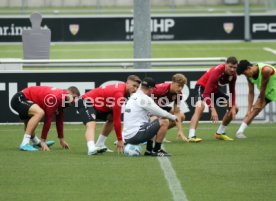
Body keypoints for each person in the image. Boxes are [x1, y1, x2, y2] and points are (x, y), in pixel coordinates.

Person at [77, 75, 141, 156]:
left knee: (112, 118)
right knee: (92, 123)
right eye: (134, 86)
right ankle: (91, 148)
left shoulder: (124, 92)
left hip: (98, 106)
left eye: (137, 87)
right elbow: (118, 120)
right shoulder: (119, 94)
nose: (135, 89)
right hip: (85, 101)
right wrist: (120, 140)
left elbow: (115, 117)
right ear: (127, 83)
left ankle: (99, 144)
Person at [11, 86, 80, 151]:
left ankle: (36, 142)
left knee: (29, 123)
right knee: (39, 113)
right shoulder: (56, 98)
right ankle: (24, 144)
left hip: (26, 99)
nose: (74, 101)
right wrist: (43, 141)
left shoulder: (63, 98)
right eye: (74, 97)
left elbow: (59, 120)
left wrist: (61, 140)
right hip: (19, 99)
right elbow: (48, 119)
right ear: (68, 93)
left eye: (76, 99)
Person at [188, 56, 239, 142]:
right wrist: (212, 109)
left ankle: (220, 133)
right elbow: (206, 93)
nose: (232, 69)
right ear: (225, 65)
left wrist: (233, 106)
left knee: (235, 108)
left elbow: (232, 91)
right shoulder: (217, 72)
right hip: (202, 87)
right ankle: (191, 135)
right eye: (230, 66)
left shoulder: (233, 75)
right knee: (200, 107)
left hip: (214, 90)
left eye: (234, 67)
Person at [123, 77, 177, 157]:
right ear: (150, 88)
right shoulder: (144, 98)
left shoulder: (134, 96)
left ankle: (149, 150)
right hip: (135, 136)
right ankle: (157, 150)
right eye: (153, 89)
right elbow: (161, 112)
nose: (153, 91)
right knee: (165, 121)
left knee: (154, 119)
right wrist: (174, 117)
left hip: (127, 137)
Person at [236, 60, 276, 138]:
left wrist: (260, 102)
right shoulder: (249, 77)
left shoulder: (265, 70)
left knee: (256, 107)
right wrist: (248, 109)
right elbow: (251, 92)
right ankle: (239, 132)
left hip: (265, 91)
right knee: (255, 110)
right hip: (267, 93)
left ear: (248, 68)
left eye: (245, 73)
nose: (246, 76)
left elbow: (263, 88)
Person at [152, 73, 188, 142]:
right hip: (150, 107)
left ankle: (158, 133)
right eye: (179, 85)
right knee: (156, 118)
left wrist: (180, 131)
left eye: (182, 86)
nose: (180, 88)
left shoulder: (179, 94)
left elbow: (176, 112)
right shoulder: (160, 89)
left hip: (160, 107)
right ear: (173, 83)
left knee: (181, 116)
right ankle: (148, 135)